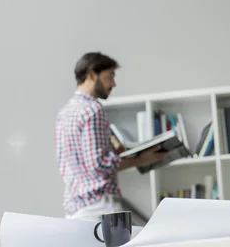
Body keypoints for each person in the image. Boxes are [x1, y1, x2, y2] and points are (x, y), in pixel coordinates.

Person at [55, 52, 167, 221]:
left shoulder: (64, 113)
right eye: (110, 76)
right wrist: (143, 159)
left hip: (76, 208)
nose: (114, 83)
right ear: (92, 75)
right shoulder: (93, 110)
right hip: (100, 208)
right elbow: (99, 163)